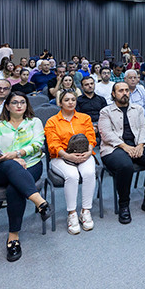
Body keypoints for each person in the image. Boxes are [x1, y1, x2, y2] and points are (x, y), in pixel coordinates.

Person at [0, 92, 51, 262]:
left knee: (15, 189)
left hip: (31, 164)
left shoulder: (34, 122)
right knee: (11, 165)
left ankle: (13, 237)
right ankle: (40, 202)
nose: (19, 105)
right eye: (14, 102)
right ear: (7, 106)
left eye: (22, 102)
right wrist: (10, 158)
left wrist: (18, 153)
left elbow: (37, 145)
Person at [99, 82, 145, 224]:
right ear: (113, 94)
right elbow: (106, 134)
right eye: (120, 91)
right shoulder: (106, 111)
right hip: (114, 148)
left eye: (127, 90)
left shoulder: (138, 109)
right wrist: (125, 147)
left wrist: (140, 145)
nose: (124, 93)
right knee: (125, 166)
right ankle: (124, 204)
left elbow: (143, 127)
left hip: (137, 144)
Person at [44, 90, 97, 235]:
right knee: (72, 176)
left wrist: (88, 151)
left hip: (84, 154)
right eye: (66, 100)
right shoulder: (52, 121)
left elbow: (91, 137)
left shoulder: (84, 118)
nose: (70, 102)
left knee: (89, 172)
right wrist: (68, 156)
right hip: (60, 157)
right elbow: (53, 144)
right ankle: (72, 214)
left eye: (73, 99)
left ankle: (85, 211)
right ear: (60, 103)